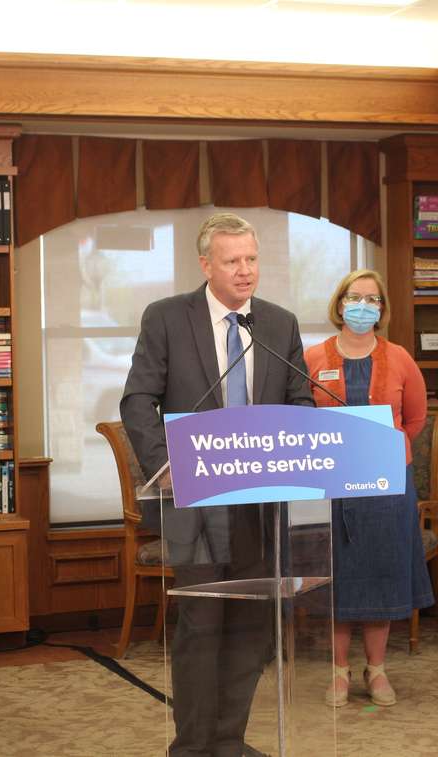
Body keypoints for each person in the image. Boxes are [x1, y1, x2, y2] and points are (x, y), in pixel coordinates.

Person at [120, 212, 314, 757]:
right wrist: (170, 466)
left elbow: (300, 401)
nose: (245, 270)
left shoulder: (278, 323)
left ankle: (229, 740)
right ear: (206, 264)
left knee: (252, 630)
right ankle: (192, 746)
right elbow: (138, 401)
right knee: (201, 626)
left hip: (260, 503)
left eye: (252, 259)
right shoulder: (166, 317)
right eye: (233, 261)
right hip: (195, 501)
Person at [303, 268, 434, 708]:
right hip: (332, 487)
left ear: (382, 309)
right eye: (355, 297)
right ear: (340, 304)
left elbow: (414, 419)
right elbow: (297, 418)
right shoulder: (312, 358)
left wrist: (382, 451)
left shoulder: (398, 358)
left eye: (373, 300)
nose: (364, 306)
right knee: (339, 578)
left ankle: (376, 669)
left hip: (385, 486)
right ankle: (338, 672)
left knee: (379, 575)